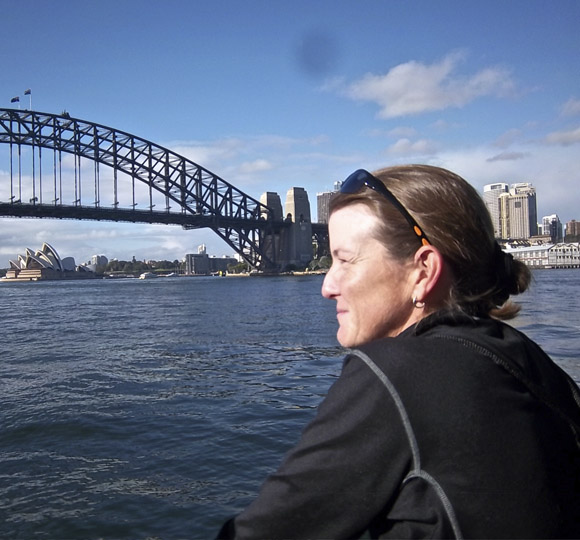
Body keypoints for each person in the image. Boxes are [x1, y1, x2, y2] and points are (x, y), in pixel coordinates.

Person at [217, 165, 580, 539]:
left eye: (346, 260)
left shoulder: (396, 374)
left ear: (422, 272)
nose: (327, 286)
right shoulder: (533, 363)